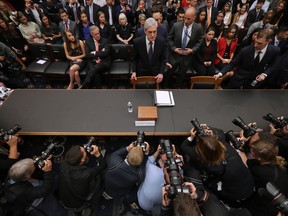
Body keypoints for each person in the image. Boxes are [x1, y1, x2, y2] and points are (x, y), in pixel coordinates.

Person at [181, 126, 255, 209]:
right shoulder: (227, 147)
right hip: (249, 184)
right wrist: (208, 128)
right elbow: (220, 131)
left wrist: (191, 137)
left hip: (235, 193)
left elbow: (184, 147)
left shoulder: (208, 164)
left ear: (201, 152)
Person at [214, 29, 280, 89]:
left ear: (269, 41)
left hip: (255, 82)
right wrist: (220, 73)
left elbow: (273, 64)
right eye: (255, 42)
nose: (255, 45)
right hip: (238, 80)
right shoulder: (245, 50)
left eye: (259, 43)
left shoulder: (274, 51)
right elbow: (232, 64)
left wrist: (265, 74)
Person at [244, 140, 288, 216]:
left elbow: (247, 165)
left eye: (252, 152)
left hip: (266, 207)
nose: (251, 153)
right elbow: (251, 162)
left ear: (259, 158)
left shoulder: (259, 171)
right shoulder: (278, 164)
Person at [58, 144, 106, 213]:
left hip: (64, 197)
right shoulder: (85, 174)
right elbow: (103, 165)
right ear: (82, 160)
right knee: (98, 178)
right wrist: (97, 154)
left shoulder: (63, 163)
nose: (85, 149)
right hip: (77, 203)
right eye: (84, 152)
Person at [165, 7, 203, 88]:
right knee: (169, 73)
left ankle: (176, 88)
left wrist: (192, 50)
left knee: (181, 75)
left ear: (194, 17)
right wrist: (174, 48)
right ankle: (166, 86)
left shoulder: (198, 28)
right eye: (185, 18)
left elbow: (200, 42)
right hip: (175, 55)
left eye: (188, 19)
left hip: (187, 57)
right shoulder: (176, 26)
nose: (185, 21)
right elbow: (169, 39)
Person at [131, 18, 168, 84]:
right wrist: (134, 72)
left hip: (156, 74)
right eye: (150, 32)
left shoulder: (161, 41)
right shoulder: (137, 42)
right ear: (145, 31)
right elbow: (134, 59)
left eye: (154, 31)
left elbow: (163, 59)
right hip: (141, 73)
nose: (153, 35)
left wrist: (161, 73)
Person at [137, 144, 165, 213]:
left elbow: (149, 161)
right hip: (156, 205)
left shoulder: (152, 169)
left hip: (141, 201)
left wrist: (157, 151)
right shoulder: (174, 179)